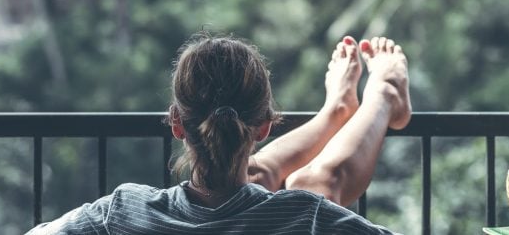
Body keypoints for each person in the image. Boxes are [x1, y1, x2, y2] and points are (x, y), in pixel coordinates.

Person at [26, 34, 411, 235]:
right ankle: (382, 93)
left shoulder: (123, 213)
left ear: (176, 123)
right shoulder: (307, 218)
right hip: (285, 215)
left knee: (255, 184)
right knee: (315, 184)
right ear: (264, 126)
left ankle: (335, 112)